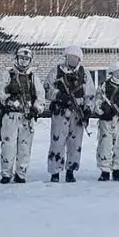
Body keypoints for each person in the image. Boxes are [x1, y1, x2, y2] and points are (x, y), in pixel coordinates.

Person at [45, 45, 95, 183]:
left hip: (77, 113)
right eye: (70, 57)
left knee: (75, 143)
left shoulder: (84, 74)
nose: (73, 60)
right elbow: (47, 89)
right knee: (57, 142)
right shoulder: (56, 72)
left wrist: (87, 110)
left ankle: (71, 170)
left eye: (76, 58)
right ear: (66, 57)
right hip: (60, 112)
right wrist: (59, 95)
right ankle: (55, 172)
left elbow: (90, 94)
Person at [0, 47, 44, 183]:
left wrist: (36, 109)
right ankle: (6, 173)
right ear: (16, 58)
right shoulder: (8, 74)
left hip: (26, 116)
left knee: (25, 147)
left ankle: (21, 173)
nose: (23, 61)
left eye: (27, 59)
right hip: (11, 115)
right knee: (8, 146)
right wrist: (8, 91)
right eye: (21, 58)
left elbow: (40, 96)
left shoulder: (33, 77)